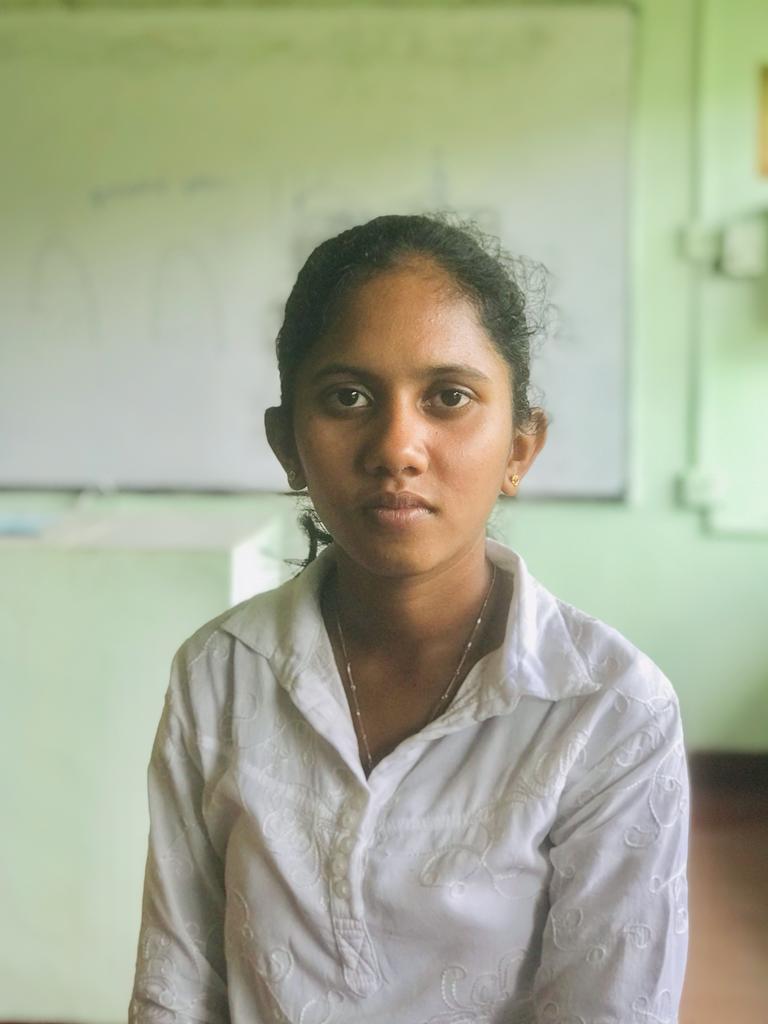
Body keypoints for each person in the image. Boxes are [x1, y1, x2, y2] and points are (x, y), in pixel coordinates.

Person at [129, 214, 690, 1023]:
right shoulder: (221, 673)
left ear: (519, 448)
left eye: (448, 397)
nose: (397, 446)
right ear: (287, 444)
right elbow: (175, 985)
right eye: (347, 397)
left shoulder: (607, 708)